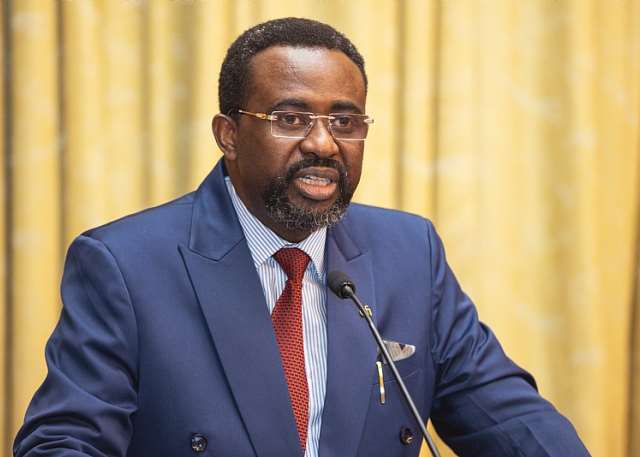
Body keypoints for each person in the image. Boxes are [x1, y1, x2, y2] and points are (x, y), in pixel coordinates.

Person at [14, 17, 589, 457]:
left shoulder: (410, 253)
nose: (323, 143)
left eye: (345, 121)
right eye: (290, 119)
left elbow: (510, 419)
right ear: (228, 135)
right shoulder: (125, 264)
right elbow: (65, 441)